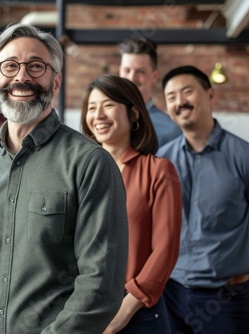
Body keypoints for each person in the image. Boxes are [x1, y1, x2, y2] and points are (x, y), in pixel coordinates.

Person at [0, 23, 129, 334]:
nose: (21, 77)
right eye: (10, 66)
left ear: (55, 83)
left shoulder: (90, 164)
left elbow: (101, 283)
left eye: (36, 66)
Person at [157, 65, 249, 334]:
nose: (180, 102)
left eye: (187, 92)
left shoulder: (246, 157)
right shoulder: (161, 161)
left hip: (224, 298)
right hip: (170, 293)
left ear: (209, 94)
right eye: (171, 97)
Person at [81, 74, 182, 334]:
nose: (98, 115)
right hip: (82, 310)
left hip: (137, 315)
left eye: (108, 105)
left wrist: (125, 311)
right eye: (92, 108)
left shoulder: (159, 170)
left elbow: (165, 249)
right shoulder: (78, 173)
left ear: (134, 114)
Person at [118, 37, 181, 147]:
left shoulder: (171, 130)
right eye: (127, 70)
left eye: (140, 71)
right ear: (120, 72)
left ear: (154, 76)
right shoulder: (103, 121)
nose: (132, 78)